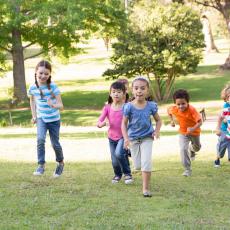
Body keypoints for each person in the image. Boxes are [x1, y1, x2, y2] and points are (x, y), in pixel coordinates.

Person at [122, 76, 162, 197]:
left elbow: (159, 120)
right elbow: (123, 124)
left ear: (147, 91)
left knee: (146, 163)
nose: (139, 91)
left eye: (142, 88)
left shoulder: (151, 106)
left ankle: (145, 189)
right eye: (136, 88)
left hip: (147, 137)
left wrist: (157, 131)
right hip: (133, 138)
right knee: (138, 166)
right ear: (132, 91)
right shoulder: (128, 106)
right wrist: (126, 138)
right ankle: (130, 154)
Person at [28, 60, 64, 177]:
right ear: (36, 72)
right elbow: (32, 100)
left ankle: (60, 163)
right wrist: (34, 116)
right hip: (41, 119)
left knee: (55, 144)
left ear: (49, 75)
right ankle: (41, 165)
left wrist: (53, 105)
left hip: (54, 120)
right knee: (40, 140)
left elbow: (61, 106)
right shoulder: (32, 87)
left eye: (46, 74)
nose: (43, 76)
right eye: (41, 73)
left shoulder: (53, 87)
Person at [97, 81, 133, 184]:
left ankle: (127, 174)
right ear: (110, 93)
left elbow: (133, 120)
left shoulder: (127, 106)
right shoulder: (107, 107)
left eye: (119, 92)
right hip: (111, 137)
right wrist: (103, 123)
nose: (116, 94)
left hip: (123, 136)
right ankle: (117, 174)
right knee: (114, 160)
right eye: (114, 92)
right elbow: (99, 122)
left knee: (119, 153)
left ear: (124, 93)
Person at [167, 89, 202, 177]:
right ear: (175, 103)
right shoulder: (174, 108)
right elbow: (169, 111)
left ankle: (192, 150)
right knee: (183, 149)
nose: (181, 106)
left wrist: (192, 129)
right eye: (178, 104)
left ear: (187, 102)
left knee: (197, 148)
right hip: (183, 133)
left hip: (195, 132)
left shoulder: (192, 110)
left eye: (183, 104)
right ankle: (187, 169)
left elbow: (200, 122)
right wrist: (171, 121)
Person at [214, 84, 230, 167]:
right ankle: (217, 158)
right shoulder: (226, 107)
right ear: (226, 99)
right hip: (224, 131)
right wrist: (217, 128)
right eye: (229, 96)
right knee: (221, 149)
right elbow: (220, 117)